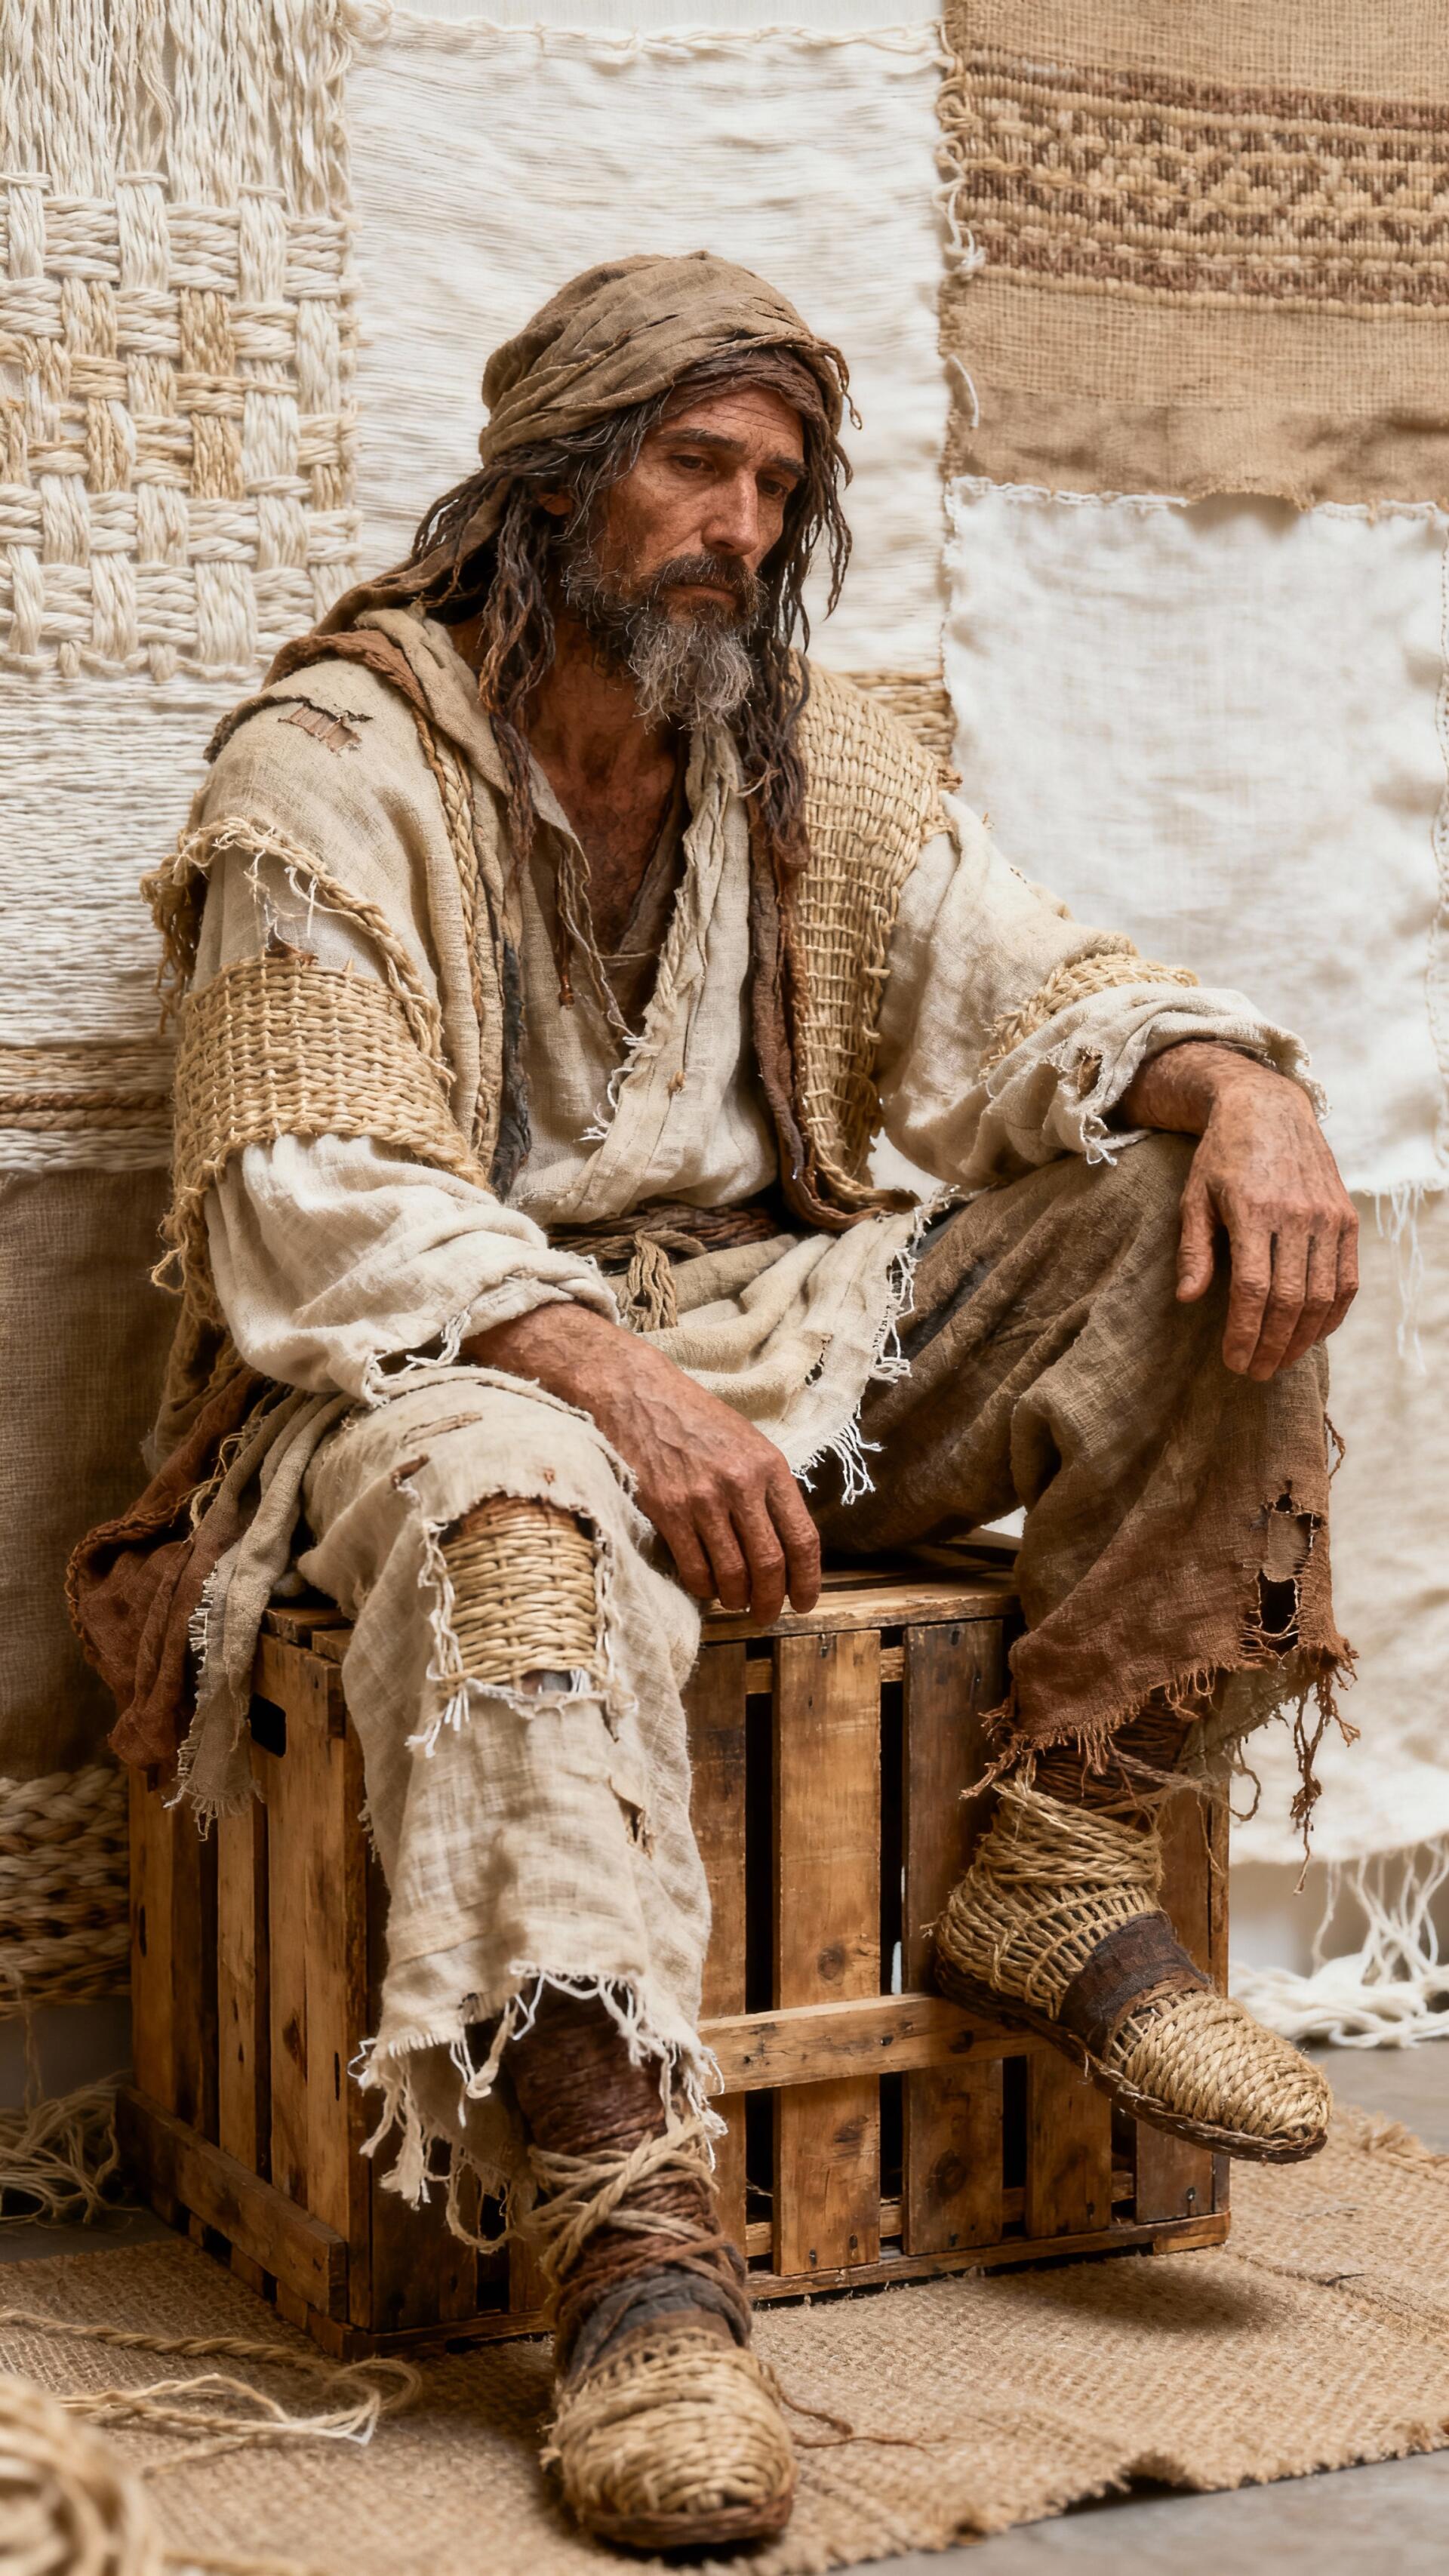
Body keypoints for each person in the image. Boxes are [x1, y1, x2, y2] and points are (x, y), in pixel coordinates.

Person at [76, 254, 1356, 2553]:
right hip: (438, 1361)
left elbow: (1036, 993)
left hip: (776, 1321)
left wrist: (1239, 1092)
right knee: (512, 1523)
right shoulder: (334, 766)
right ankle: (634, 2254)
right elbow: (304, 1192)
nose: (742, 528)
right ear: (559, 476)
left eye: (779, 483)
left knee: (1189, 1209)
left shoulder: (805, 760)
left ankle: (1066, 1854)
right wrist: (603, 1378)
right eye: (697, 464)